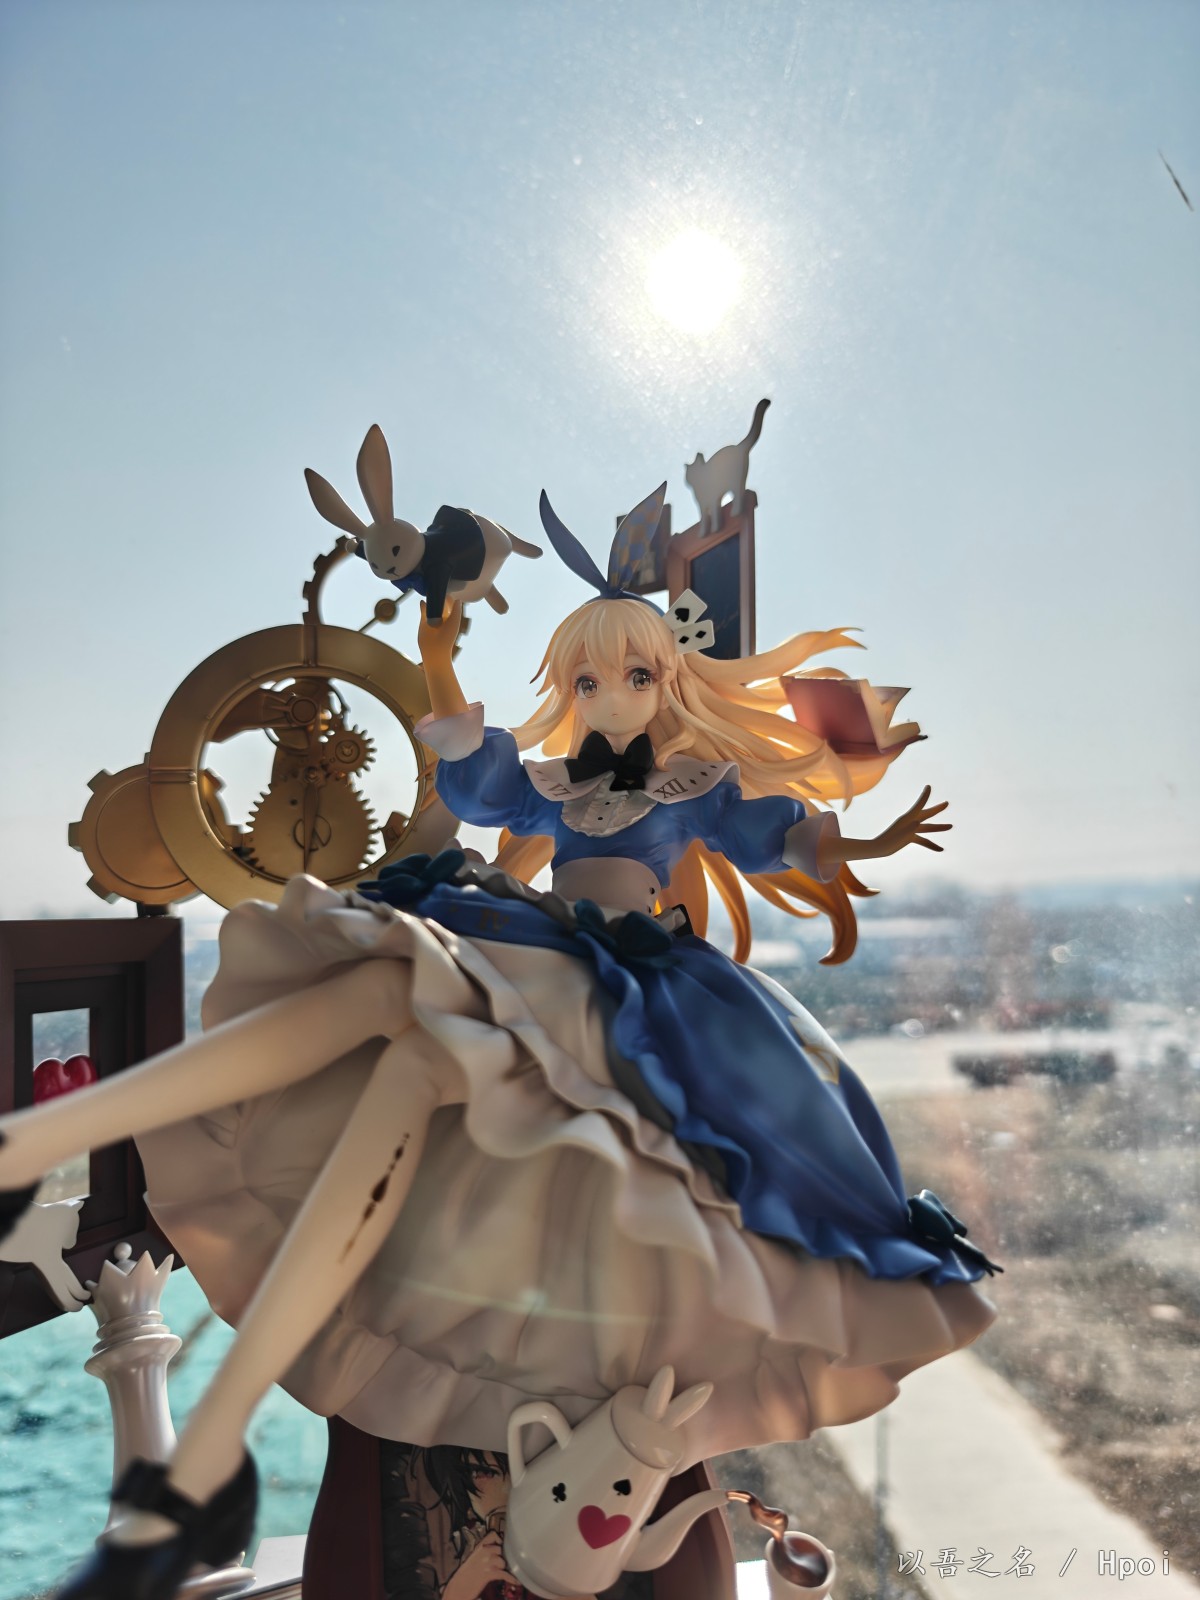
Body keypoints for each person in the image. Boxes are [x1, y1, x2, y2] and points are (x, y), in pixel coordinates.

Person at [0, 483, 997, 1600]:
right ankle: (56, 1148)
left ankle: (202, 1446)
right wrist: (438, 637)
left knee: (459, 1076)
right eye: (587, 681)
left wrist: (858, 836)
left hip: (638, 994)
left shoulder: (692, 784)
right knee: (391, 1005)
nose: (608, 698)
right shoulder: (556, 782)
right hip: (535, 944)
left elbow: (779, 836)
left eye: (632, 678)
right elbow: (478, 776)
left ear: (667, 684)